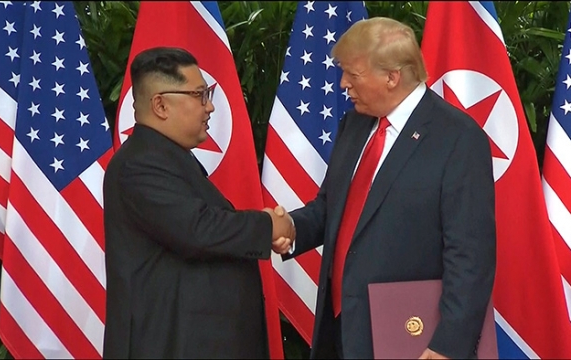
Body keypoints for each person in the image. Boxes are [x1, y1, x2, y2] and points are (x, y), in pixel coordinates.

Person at [277, 17, 496, 359]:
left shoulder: (458, 138)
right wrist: (291, 227)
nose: (343, 84)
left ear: (392, 77)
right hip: (340, 330)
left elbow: (470, 255)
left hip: (410, 337)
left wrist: (448, 345)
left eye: (353, 74)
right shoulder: (355, 123)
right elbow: (332, 207)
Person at [102, 46, 294, 359]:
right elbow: (198, 229)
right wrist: (268, 225)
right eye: (200, 95)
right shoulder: (140, 164)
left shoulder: (169, 158)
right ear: (161, 105)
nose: (210, 108)